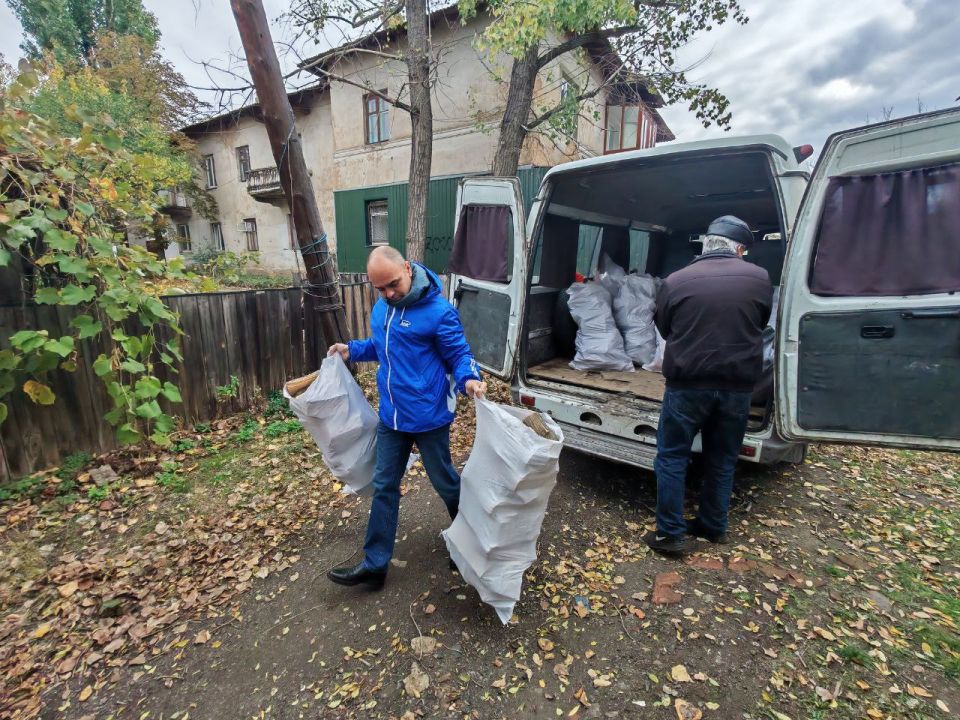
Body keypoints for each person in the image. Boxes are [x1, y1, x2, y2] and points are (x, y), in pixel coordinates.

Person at [327, 246, 487, 590]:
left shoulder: (439, 312)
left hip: (429, 417)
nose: (386, 294)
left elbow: (459, 354)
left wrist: (469, 378)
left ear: (407, 268)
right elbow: (381, 346)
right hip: (392, 418)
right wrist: (351, 349)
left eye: (392, 284)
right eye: (379, 288)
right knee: (385, 485)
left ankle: (472, 547)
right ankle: (375, 564)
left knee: (445, 483)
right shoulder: (384, 307)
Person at [644, 215, 773, 555]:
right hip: (737, 388)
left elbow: (664, 326)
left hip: (687, 385)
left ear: (706, 243)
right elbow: (760, 322)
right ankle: (713, 527)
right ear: (740, 249)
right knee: (723, 457)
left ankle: (670, 535)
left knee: (672, 456)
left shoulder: (676, 280)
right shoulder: (760, 279)